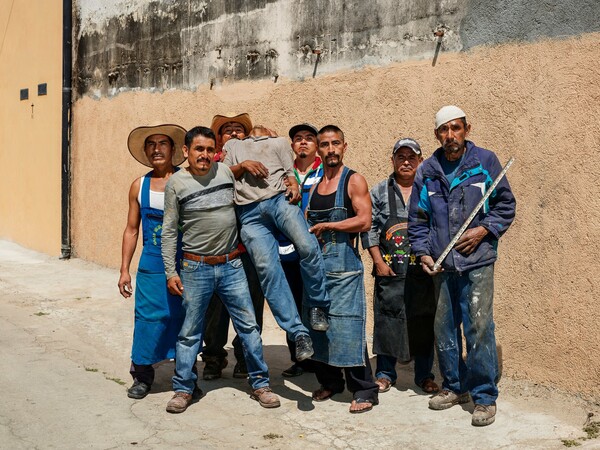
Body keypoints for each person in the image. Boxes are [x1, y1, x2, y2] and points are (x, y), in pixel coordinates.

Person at [408, 106, 516, 426]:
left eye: (456, 128)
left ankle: (484, 395)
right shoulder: (427, 170)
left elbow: (505, 205)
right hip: (442, 265)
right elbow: (418, 220)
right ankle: (455, 386)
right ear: (437, 135)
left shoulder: (485, 162)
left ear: (467, 129)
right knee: (444, 328)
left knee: (479, 327)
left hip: (477, 261)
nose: (450, 135)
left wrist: (485, 230)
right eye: (444, 130)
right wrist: (424, 253)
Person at [161, 126, 279, 413]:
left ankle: (260, 383)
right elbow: (168, 232)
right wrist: (170, 272)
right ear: (186, 151)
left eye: (209, 150)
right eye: (198, 149)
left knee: (249, 327)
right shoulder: (176, 184)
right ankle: (183, 389)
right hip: (194, 267)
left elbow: (246, 172)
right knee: (190, 333)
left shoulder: (225, 173)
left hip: (231, 266)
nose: (204, 155)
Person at [222, 123, 333, 363]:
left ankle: (318, 305)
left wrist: (292, 183)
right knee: (268, 271)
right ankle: (298, 332)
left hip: (279, 202)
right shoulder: (233, 145)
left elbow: (289, 172)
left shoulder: (281, 142)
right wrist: (242, 166)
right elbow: (222, 175)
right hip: (249, 213)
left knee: (307, 245)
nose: (260, 127)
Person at [306, 125, 379, 414]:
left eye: (336, 143)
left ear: (344, 146)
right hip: (318, 268)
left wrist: (330, 225)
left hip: (345, 268)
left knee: (348, 327)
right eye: (324, 144)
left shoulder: (353, 180)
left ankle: (365, 389)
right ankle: (331, 382)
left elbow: (364, 221)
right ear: (318, 150)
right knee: (319, 326)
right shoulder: (314, 186)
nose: (330, 149)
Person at [362, 138, 439, 395]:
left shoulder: (430, 190)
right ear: (393, 160)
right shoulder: (379, 191)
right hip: (390, 270)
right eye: (401, 157)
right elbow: (369, 228)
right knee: (387, 320)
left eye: (411, 157)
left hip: (422, 271)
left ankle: (424, 376)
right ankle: (385, 374)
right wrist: (377, 262)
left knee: (424, 322)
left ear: (420, 160)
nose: (406, 162)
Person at [118, 123, 187, 400]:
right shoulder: (140, 185)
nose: (156, 149)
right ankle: (143, 377)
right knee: (147, 319)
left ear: (172, 150)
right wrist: (124, 269)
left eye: (162, 143)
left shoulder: (188, 180)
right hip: (151, 263)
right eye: (151, 144)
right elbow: (132, 229)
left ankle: (186, 377)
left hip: (186, 263)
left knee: (184, 320)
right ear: (146, 151)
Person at [201, 112, 265, 380]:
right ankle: (214, 358)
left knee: (250, 305)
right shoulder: (210, 164)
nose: (234, 134)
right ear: (219, 141)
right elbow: (214, 180)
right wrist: (242, 166)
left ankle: (245, 357)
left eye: (239, 130)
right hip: (217, 250)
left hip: (248, 249)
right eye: (228, 131)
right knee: (214, 310)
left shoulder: (259, 159)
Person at [279, 123, 323, 378]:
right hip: (287, 251)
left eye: (309, 138)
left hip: (316, 250)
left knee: (315, 303)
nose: (303, 142)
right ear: (292, 145)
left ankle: (321, 360)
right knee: (292, 304)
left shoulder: (325, 171)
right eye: (298, 139)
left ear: (316, 145)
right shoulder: (284, 173)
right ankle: (299, 359)